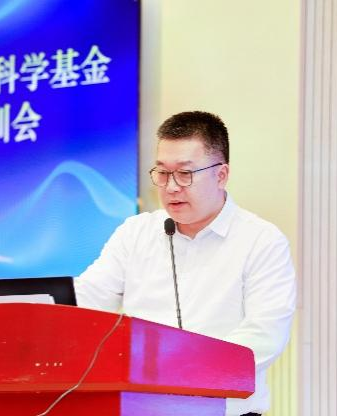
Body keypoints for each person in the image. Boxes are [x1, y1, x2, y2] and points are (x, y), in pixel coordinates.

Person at [75, 111, 296, 416]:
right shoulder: (135, 232)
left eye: (184, 173)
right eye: (162, 173)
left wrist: (178, 368)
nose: (171, 187)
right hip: (142, 409)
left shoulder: (261, 240)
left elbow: (263, 337)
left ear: (221, 175)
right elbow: (86, 300)